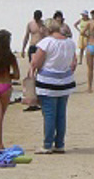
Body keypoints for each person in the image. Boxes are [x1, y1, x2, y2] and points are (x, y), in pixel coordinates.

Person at [31, 18, 77, 154]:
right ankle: (59, 143)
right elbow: (72, 61)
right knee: (61, 114)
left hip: (48, 81)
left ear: (47, 29)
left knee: (49, 114)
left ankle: (47, 144)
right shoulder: (70, 43)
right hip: (65, 80)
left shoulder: (46, 42)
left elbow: (37, 63)